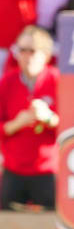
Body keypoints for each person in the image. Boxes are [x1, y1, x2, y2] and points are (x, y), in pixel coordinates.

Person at [0, 26, 59, 211]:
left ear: (46, 54)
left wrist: (49, 118)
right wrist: (17, 123)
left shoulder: (58, 81)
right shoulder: (7, 82)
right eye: (21, 50)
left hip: (47, 171)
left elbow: (73, 130)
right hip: (13, 169)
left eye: (32, 51)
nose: (26, 56)